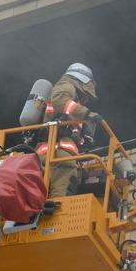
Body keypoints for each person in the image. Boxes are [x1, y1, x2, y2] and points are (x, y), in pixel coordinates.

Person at [36, 63, 103, 198]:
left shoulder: (74, 99)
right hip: (58, 152)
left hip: (57, 153)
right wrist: (86, 114)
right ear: (82, 80)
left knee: (47, 190)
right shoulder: (67, 86)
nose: (87, 98)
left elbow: (72, 126)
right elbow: (59, 101)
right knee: (60, 192)